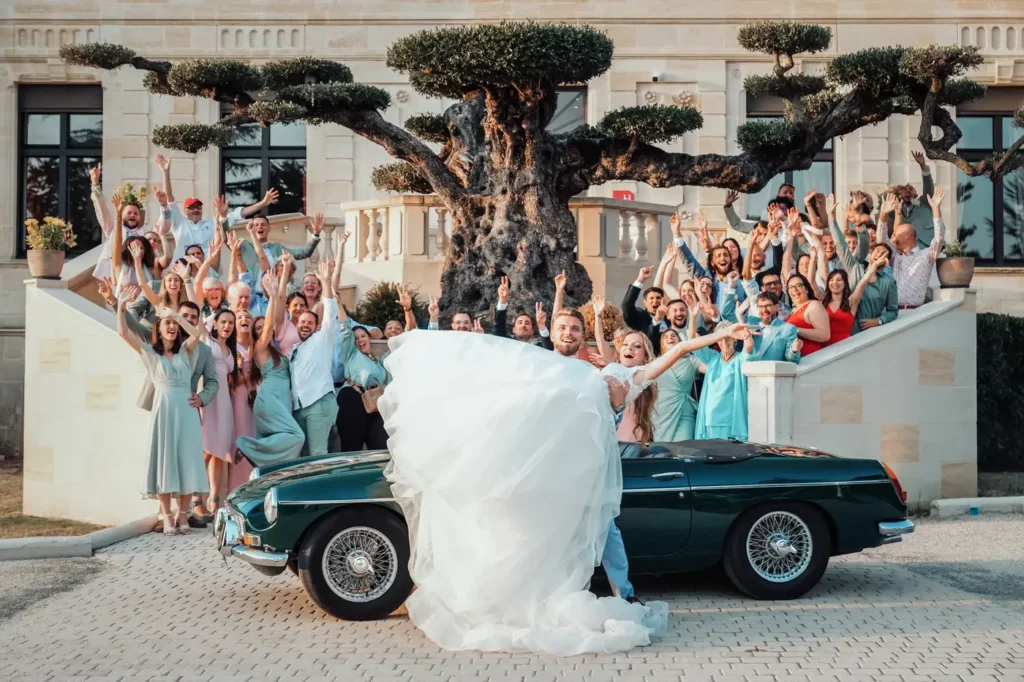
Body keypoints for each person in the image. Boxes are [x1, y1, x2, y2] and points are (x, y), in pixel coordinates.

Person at [379, 322, 668, 655]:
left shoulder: (626, 378)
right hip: (550, 454)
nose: (631, 348)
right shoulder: (582, 367)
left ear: (645, 355)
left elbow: (666, 360)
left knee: (596, 529)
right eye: (627, 343)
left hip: (579, 459)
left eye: (638, 346)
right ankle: (506, 593)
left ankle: (620, 592)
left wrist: (712, 337)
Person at [115, 290, 208, 536]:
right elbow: (123, 333)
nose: (172, 327)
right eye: (167, 324)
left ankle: (183, 513)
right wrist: (120, 307)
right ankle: (167, 515)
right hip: (164, 410)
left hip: (186, 411)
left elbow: (197, 333)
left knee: (188, 460)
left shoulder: (186, 350)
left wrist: (177, 316)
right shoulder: (150, 352)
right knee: (165, 460)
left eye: (174, 325)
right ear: (159, 327)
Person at [235, 271, 305, 467]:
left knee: (283, 447)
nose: (262, 329)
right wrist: (272, 296)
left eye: (263, 327)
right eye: (257, 328)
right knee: (297, 436)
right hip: (270, 399)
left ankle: (264, 465)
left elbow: (277, 319)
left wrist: (279, 290)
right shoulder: (259, 348)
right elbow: (268, 326)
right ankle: (248, 446)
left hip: (281, 401)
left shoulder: (278, 350)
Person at [155, 154, 260, 261]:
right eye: (192, 207)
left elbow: (240, 213)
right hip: (182, 267)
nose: (196, 210)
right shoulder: (180, 221)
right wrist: (165, 172)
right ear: (185, 210)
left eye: (198, 207)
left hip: (207, 268)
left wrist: (263, 203)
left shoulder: (212, 223)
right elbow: (169, 198)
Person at [826, 194, 899, 333]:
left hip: (871, 333)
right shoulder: (855, 268)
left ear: (887, 260)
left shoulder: (888, 281)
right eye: (877, 251)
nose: (879, 254)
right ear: (871, 255)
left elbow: (893, 311)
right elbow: (841, 245)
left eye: (883, 253)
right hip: (846, 329)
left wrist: (878, 321)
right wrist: (831, 218)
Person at [289, 260, 339, 458]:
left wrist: (326, 282)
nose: (305, 325)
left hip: (319, 402)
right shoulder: (293, 350)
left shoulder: (322, 338)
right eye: (302, 322)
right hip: (299, 407)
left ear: (317, 327)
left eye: (310, 323)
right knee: (302, 456)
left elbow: (330, 313)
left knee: (318, 455)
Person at [876, 189, 946, 309]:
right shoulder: (895, 256)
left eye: (895, 233)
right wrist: (883, 214)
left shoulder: (926, 256)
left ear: (907, 235)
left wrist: (936, 209)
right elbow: (881, 240)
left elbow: (939, 239)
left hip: (914, 313)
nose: (892, 236)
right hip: (891, 312)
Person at [690, 317, 757, 441]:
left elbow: (749, 346)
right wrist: (693, 317)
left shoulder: (740, 359)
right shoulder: (712, 358)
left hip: (730, 420)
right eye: (721, 338)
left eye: (728, 338)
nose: (724, 342)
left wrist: (745, 333)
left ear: (735, 338)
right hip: (709, 419)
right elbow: (692, 343)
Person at [200, 309, 237, 515]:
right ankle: (195, 498)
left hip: (224, 402)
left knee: (219, 453)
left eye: (231, 322)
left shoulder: (231, 349)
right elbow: (196, 314)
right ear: (215, 323)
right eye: (223, 322)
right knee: (206, 449)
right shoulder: (208, 340)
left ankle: (214, 502)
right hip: (208, 399)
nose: (227, 326)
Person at [650, 329, 703, 441]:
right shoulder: (655, 362)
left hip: (684, 412)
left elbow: (711, 368)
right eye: (666, 337)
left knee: (684, 448)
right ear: (662, 345)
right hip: (661, 413)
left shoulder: (691, 360)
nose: (670, 338)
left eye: (673, 335)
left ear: (680, 341)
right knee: (662, 449)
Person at [228, 309, 256, 489]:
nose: (244, 319)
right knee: (239, 438)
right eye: (239, 317)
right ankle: (237, 487)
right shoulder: (230, 349)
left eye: (247, 317)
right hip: (237, 400)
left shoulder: (258, 347)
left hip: (257, 402)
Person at [492, 276, 554, 349]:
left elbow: (548, 348)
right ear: (514, 329)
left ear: (532, 331)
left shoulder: (539, 348)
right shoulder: (505, 342)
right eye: (520, 322)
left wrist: (542, 326)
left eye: (527, 323)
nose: (523, 325)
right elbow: (499, 326)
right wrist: (502, 300)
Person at [748, 292, 802, 362]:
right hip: (746, 367)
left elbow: (791, 360)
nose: (764, 310)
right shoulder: (751, 322)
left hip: (770, 368)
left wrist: (794, 350)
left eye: (768, 306)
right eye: (760, 306)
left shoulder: (788, 329)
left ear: (777, 307)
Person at [784, 273, 830, 356]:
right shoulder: (793, 311)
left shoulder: (814, 305)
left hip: (813, 358)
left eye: (798, 285)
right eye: (790, 287)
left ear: (807, 289)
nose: (794, 289)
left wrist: (796, 330)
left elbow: (825, 335)